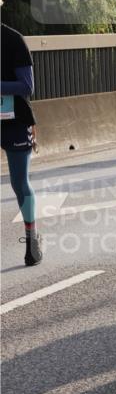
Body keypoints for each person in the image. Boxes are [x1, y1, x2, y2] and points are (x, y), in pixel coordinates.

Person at [1, 14, 42, 265]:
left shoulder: (13, 39)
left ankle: (31, 239)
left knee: (19, 182)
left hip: (14, 120)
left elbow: (27, 86)